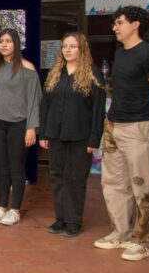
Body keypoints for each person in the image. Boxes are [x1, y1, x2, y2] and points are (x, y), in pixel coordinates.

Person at [95, 6, 149, 261]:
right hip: (113, 125)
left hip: (138, 126)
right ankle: (120, 232)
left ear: (135, 25)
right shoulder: (120, 52)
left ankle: (142, 240)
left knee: (141, 184)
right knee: (112, 182)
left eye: (119, 22)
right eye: (114, 23)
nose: (115, 27)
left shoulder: (148, 53)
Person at [39, 32, 105, 237]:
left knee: (75, 179)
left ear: (82, 49)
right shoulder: (55, 73)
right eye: (65, 46)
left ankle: (74, 221)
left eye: (73, 46)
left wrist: (94, 138)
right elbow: (45, 105)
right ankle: (60, 219)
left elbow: (97, 110)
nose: (67, 50)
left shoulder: (93, 74)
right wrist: (43, 133)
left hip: (81, 136)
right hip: (56, 135)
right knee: (57, 176)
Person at [0, 28, 41, 226]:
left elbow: (34, 102)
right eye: (1, 41)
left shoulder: (27, 68)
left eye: (8, 41)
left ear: (16, 44)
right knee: (1, 167)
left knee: (16, 167)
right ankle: (2, 206)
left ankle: (15, 210)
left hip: (19, 125)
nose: (4, 44)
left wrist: (31, 128)